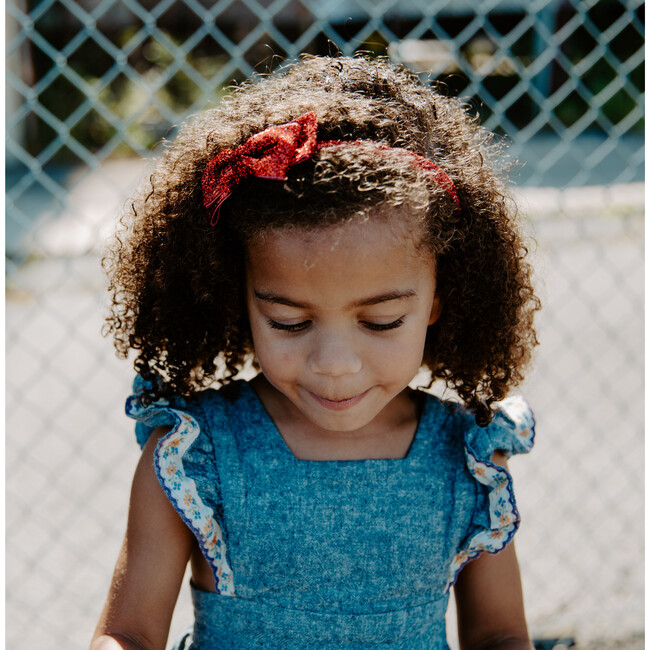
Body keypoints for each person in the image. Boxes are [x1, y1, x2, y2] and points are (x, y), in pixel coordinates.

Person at [91, 55, 540, 650]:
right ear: (238, 298)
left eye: (381, 321)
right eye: (289, 321)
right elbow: (127, 632)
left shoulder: (468, 458)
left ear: (440, 298)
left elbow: (501, 635)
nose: (335, 363)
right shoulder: (193, 454)